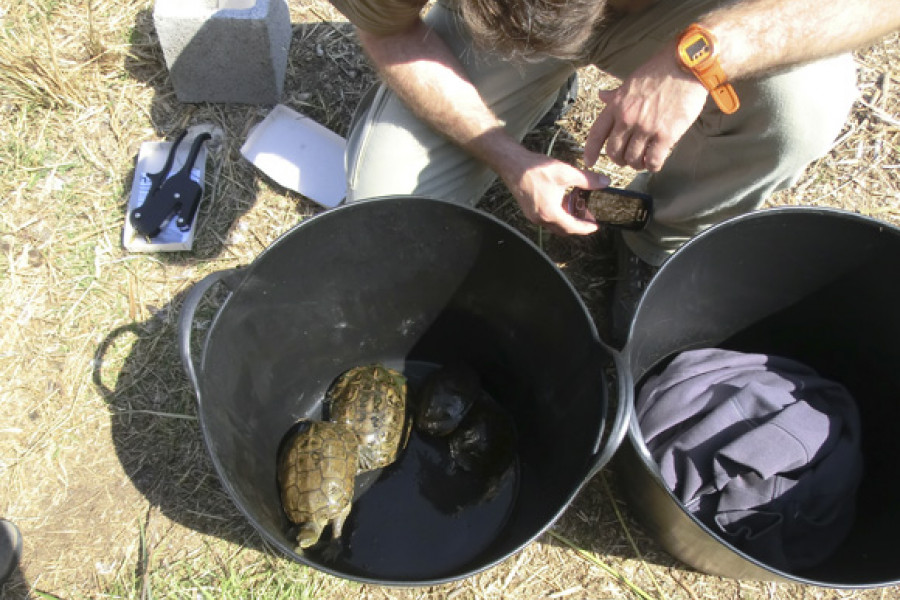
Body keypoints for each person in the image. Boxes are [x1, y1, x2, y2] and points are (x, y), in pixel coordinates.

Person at [330, 0, 899, 340]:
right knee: (385, 205)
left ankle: (660, 242)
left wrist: (703, 54)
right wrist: (509, 156)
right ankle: (533, 82)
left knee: (802, 103)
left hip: (685, 17)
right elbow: (390, 29)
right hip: (495, 26)